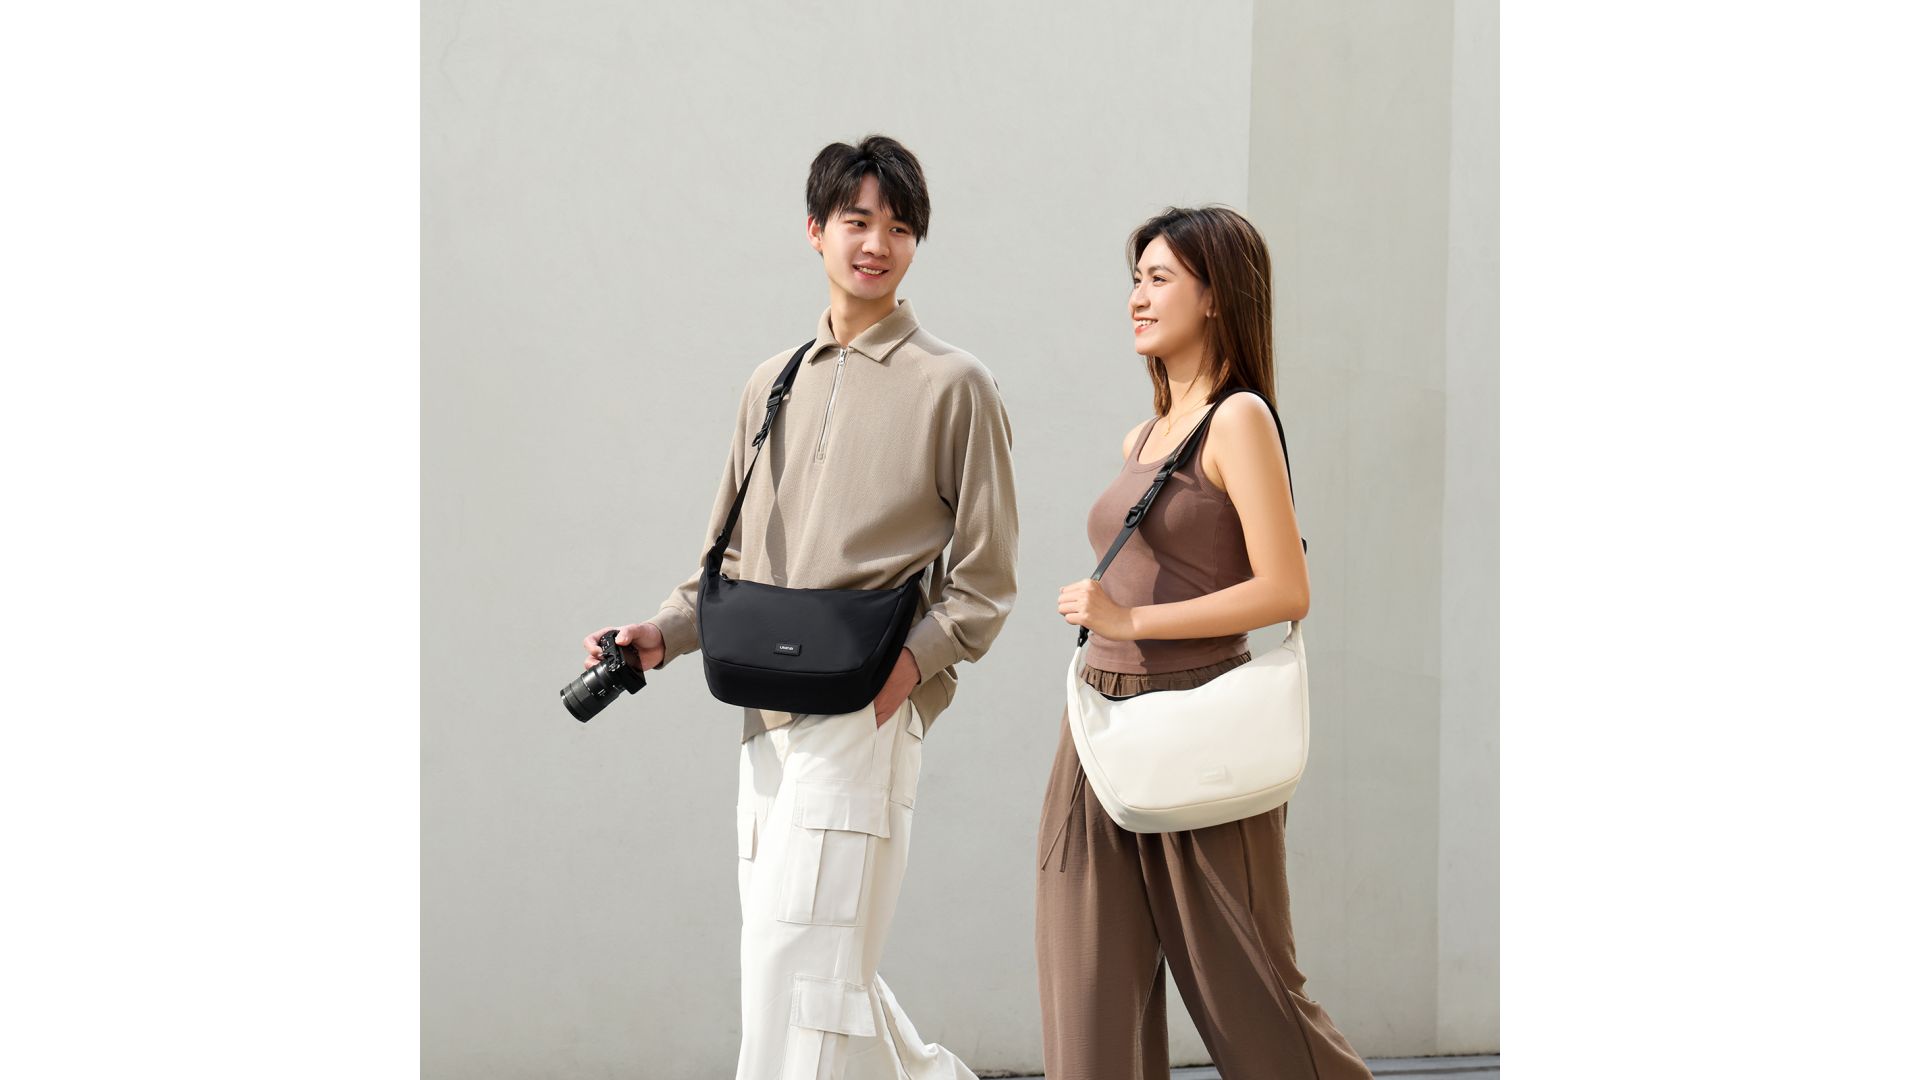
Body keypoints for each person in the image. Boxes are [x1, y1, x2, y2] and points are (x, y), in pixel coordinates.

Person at [583, 135, 1017, 1080]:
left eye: (899, 228)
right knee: (807, 978)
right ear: (815, 230)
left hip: (865, 706)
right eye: (857, 221)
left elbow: (985, 582)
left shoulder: (956, 385)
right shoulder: (772, 382)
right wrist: (662, 634)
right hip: (765, 716)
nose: (877, 244)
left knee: (800, 971)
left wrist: (904, 677)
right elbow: (729, 561)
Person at [1040, 206, 1372, 1080]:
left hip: (1202, 721)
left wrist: (1130, 621)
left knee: (1250, 997)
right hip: (1099, 728)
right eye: (1135, 279)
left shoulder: (1239, 420)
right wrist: (1112, 634)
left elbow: (1285, 589)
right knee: (1089, 996)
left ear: (1216, 295)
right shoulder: (1143, 435)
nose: (1137, 299)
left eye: (1159, 279)